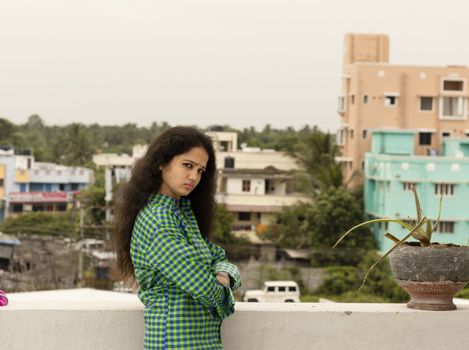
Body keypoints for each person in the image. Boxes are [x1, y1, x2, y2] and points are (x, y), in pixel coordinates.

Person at [113, 126, 241, 349]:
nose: (194, 176)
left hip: (202, 342)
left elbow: (218, 256)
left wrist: (226, 275)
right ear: (162, 162)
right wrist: (223, 287)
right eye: (188, 165)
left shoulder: (183, 213)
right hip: (172, 342)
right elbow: (205, 288)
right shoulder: (157, 220)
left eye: (200, 171)